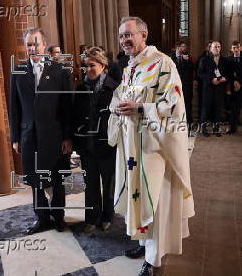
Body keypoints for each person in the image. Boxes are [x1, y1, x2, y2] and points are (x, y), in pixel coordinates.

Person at [108, 16, 194, 276]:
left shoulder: (163, 64)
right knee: (139, 198)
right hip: (133, 146)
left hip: (154, 148)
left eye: (129, 35)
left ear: (143, 35)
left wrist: (141, 108)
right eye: (121, 35)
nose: (124, 40)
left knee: (154, 199)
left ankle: (154, 259)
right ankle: (144, 244)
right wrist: (118, 106)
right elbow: (121, 95)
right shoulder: (130, 68)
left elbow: (174, 104)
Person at [9, 27, 73, 235]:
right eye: (28, 44)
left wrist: (67, 136)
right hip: (29, 136)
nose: (32, 48)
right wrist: (15, 137)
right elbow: (14, 107)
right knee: (35, 179)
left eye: (36, 43)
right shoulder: (18, 71)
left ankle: (59, 216)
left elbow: (66, 107)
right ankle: (42, 217)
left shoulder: (60, 71)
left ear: (44, 45)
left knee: (56, 178)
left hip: (54, 137)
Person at [73, 47, 119, 232]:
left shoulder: (114, 88)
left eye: (92, 65)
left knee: (109, 184)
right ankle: (92, 218)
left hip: (107, 145)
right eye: (85, 67)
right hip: (87, 145)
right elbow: (74, 117)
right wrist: (76, 142)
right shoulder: (81, 88)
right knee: (90, 183)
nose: (88, 70)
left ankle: (107, 216)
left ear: (103, 66)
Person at [198, 41, 229, 137]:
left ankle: (216, 129)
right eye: (215, 47)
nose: (217, 48)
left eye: (219, 46)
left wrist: (225, 78)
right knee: (205, 109)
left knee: (218, 109)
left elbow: (228, 73)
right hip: (208, 88)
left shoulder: (225, 60)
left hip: (219, 88)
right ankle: (204, 129)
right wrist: (211, 79)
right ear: (210, 48)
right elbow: (200, 73)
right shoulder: (204, 59)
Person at [169, 40, 194, 125]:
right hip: (174, 85)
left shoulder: (188, 57)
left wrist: (186, 61)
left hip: (186, 85)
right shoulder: (170, 57)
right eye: (183, 46)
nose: (185, 48)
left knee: (187, 103)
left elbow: (191, 70)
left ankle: (188, 121)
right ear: (177, 47)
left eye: (185, 47)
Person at [194, 41, 212, 121]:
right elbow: (198, 71)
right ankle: (201, 120)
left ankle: (208, 118)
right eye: (209, 46)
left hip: (211, 85)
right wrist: (196, 80)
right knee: (202, 103)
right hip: (202, 84)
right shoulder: (202, 58)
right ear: (206, 48)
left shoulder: (216, 57)